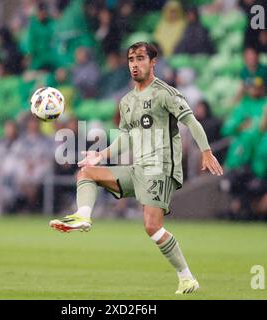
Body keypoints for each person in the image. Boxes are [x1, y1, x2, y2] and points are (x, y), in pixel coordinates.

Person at [49, 42, 223, 294]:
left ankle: (186, 277)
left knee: (151, 226)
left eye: (140, 58)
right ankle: (83, 217)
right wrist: (101, 155)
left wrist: (206, 151)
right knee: (86, 172)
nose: (134, 64)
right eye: (131, 59)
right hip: (136, 167)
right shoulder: (127, 101)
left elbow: (191, 121)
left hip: (160, 168)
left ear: (153, 62)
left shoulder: (165, 93)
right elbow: (127, 138)